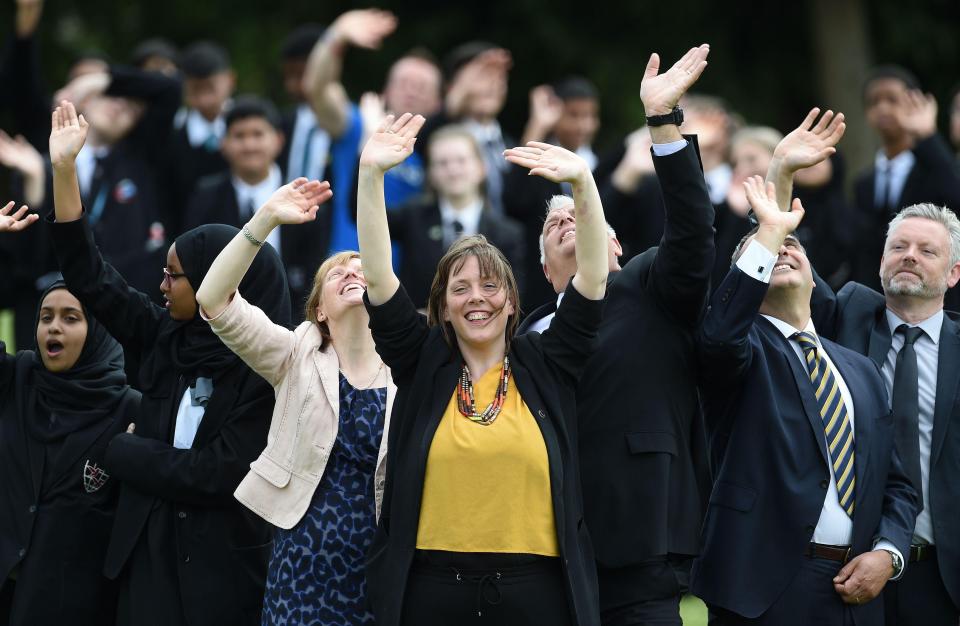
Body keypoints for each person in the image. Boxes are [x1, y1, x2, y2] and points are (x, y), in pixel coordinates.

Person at [356, 111, 609, 625]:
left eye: (491, 286)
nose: (478, 299)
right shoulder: (422, 360)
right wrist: (370, 175)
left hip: (536, 589)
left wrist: (582, 184)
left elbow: (592, 280)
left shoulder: (548, 360)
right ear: (443, 306)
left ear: (513, 301)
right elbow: (380, 280)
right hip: (430, 589)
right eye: (461, 288)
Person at [47, 101, 290, 626]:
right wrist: (64, 171)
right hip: (146, 563)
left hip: (224, 576)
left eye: (174, 276)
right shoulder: (164, 335)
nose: (161, 286)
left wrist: (124, 450)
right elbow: (89, 274)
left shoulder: (271, 366)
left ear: (216, 282)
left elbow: (217, 474)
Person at [519, 44, 715, 626]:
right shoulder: (524, 335)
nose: (566, 221)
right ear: (547, 268)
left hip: (642, 539)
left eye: (581, 214)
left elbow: (693, 231)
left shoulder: (650, 286)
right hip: (543, 545)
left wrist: (662, 124)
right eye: (553, 223)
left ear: (618, 247)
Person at [693, 176, 919, 625]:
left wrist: (889, 555)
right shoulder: (739, 349)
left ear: (816, 280)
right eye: (768, 249)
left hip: (858, 589)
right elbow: (720, 336)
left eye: (792, 243)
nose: (782, 249)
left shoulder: (862, 370)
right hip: (763, 590)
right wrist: (768, 232)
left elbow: (898, 484)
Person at [194, 176, 395, 624]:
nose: (353, 273)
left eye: (363, 269)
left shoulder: (410, 370)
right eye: (339, 273)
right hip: (303, 565)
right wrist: (264, 220)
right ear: (319, 310)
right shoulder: (293, 354)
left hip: (380, 567)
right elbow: (213, 299)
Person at [800, 202, 960, 625]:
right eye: (899, 247)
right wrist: (777, 193)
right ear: (881, 261)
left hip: (941, 575)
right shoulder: (846, 315)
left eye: (928, 251)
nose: (909, 255)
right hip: (841, 568)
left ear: (953, 274)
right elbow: (791, 270)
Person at [0, 201, 141, 626]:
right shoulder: (18, 377)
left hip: (73, 606)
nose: (53, 328)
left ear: (98, 332)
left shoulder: (128, 408)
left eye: (71, 317)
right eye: (45, 317)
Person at [182, 95, 327, 315]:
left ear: (279, 140)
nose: (249, 145)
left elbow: (315, 275)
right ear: (224, 143)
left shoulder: (304, 197)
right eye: (239, 136)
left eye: (258, 134)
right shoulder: (204, 197)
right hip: (218, 320)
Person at [385, 124, 525, 309]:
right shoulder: (413, 217)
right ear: (431, 174)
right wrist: (369, 160)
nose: (452, 169)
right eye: (442, 163)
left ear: (482, 168)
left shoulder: (508, 234)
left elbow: (514, 302)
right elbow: (364, 218)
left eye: (461, 160)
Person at [852, 66, 960, 303]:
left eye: (892, 99)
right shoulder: (864, 183)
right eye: (873, 102)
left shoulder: (936, 169)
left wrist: (928, 136)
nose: (882, 108)